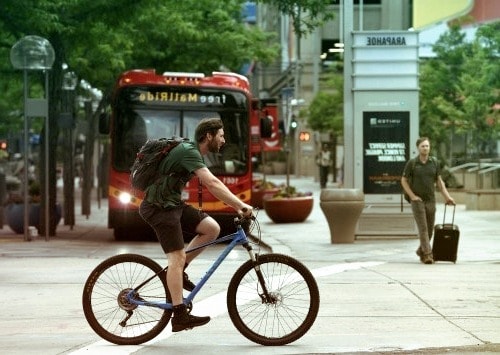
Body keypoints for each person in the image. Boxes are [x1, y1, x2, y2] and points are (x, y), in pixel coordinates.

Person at [139, 117, 253, 332]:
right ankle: (179, 315)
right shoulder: (189, 151)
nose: (224, 140)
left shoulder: (194, 152)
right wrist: (240, 206)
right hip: (158, 208)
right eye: (220, 136)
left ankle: (178, 272)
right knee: (176, 257)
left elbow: (211, 184)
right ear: (208, 136)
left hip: (171, 204)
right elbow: (213, 183)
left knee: (212, 229)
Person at [401, 137, 455, 265]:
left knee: (430, 230)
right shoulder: (412, 163)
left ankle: (421, 250)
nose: (425, 148)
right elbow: (403, 180)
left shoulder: (434, 162)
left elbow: (439, 182)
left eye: (427, 146)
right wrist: (412, 196)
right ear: (418, 148)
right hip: (417, 201)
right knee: (423, 229)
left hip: (431, 200)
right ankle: (427, 254)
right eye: (423, 146)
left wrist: (447, 197)